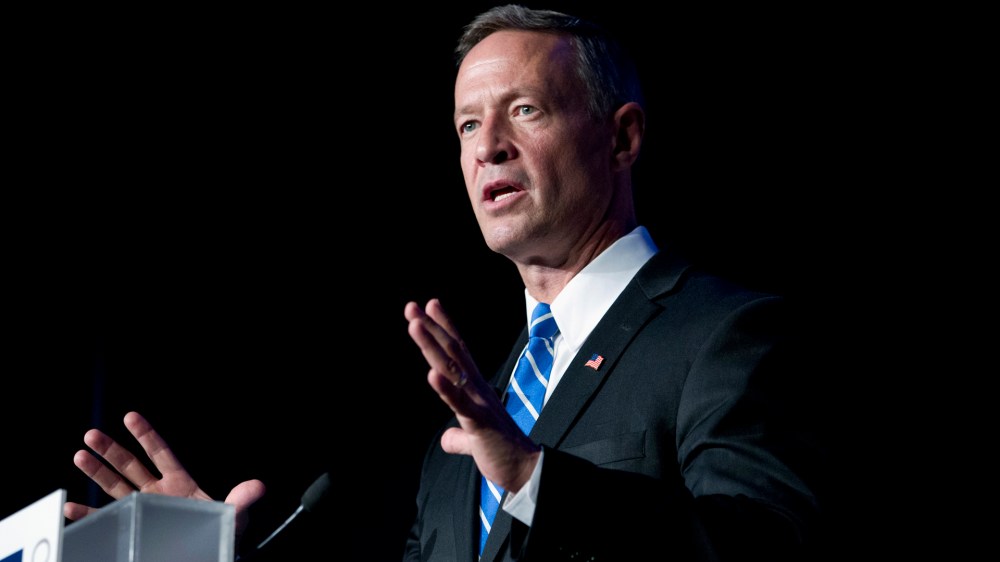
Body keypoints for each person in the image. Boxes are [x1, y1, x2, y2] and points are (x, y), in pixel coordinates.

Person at [64, 5, 828, 561]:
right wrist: (220, 554)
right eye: (467, 125)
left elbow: (766, 549)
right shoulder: (474, 419)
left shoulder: (727, 336)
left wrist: (536, 479)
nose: (488, 147)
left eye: (524, 110)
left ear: (622, 137)